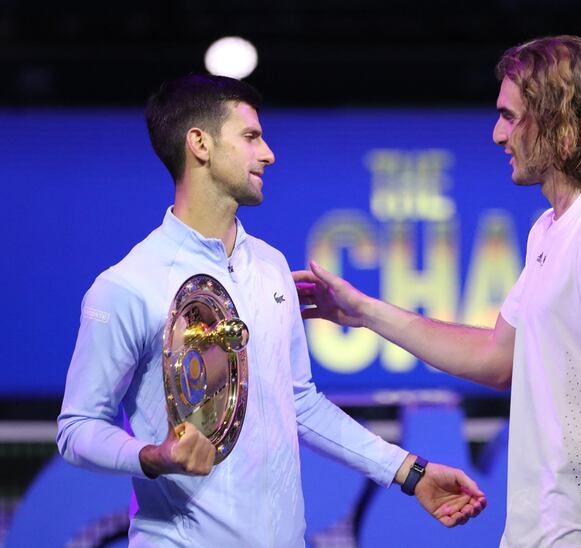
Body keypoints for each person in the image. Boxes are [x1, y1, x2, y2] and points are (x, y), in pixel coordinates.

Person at [56, 74, 486, 546]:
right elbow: (78, 427)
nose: (268, 153)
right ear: (199, 144)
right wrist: (152, 456)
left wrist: (409, 472)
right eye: (251, 137)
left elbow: (299, 402)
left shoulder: (271, 266)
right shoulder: (127, 286)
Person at [295, 35, 581, 547]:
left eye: (511, 116)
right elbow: (497, 359)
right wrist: (364, 312)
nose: (498, 134)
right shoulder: (551, 229)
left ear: (559, 117)